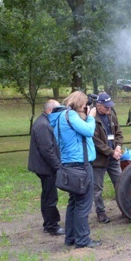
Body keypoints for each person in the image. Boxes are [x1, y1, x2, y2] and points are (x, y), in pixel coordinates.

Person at [51, 91, 101, 248]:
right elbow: (88, 131)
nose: (86, 107)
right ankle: (83, 240)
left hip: (69, 164)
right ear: (80, 104)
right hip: (80, 165)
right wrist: (91, 116)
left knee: (73, 202)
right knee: (83, 204)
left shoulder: (61, 117)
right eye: (85, 104)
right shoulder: (71, 116)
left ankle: (71, 237)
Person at [28, 99, 64, 236]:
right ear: (50, 110)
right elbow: (47, 150)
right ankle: (52, 226)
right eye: (57, 111)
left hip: (44, 166)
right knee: (50, 196)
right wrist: (57, 167)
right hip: (45, 167)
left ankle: (48, 223)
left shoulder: (44, 122)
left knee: (47, 195)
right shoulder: (43, 125)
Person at [92, 92, 123, 224]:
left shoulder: (111, 115)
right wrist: (111, 152)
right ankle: (101, 213)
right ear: (98, 106)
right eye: (106, 107)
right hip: (99, 160)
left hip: (113, 158)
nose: (109, 109)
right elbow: (95, 141)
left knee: (121, 184)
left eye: (110, 107)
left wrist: (119, 147)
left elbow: (118, 133)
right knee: (97, 189)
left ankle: (125, 209)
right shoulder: (92, 119)